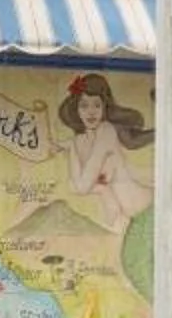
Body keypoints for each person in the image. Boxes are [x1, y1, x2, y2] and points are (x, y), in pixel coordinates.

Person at [57, 73, 153, 230]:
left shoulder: (106, 131)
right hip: (135, 220)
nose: (91, 112)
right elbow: (73, 187)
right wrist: (102, 189)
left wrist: (71, 147)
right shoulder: (82, 140)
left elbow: (81, 187)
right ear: (76, 109)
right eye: (84, 106)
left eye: (97, 105)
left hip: (148, 211)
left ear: (104, 108)